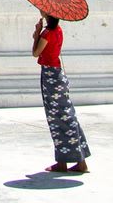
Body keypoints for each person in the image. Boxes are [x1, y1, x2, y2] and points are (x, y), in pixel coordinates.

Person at [32, 13, 89, 175]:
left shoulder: (47, 33)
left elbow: (36, 53)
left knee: (57, 118)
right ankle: (80, 161)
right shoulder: (58, 30)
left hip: (50, 76)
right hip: (57, 74)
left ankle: (63, 162)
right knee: (68, 116)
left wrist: (36, 35)